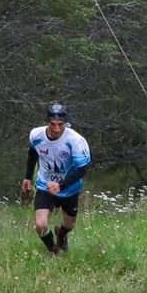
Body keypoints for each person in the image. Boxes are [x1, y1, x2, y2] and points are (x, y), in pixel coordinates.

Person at [22, 102, 91, 255]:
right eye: (53, 124)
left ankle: (62, 234)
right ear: (47, 122)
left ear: (66, 123)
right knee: (40, 225)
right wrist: (28, 177)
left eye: (60, 124)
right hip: (45, 185)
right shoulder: (36, 135)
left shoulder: (75, 140)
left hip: (69, 188)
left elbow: (82, 169)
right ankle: (53, 250)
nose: (56, 129)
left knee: (70, 224)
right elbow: (33, 153)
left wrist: (61, 185)